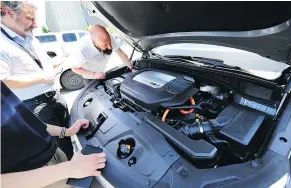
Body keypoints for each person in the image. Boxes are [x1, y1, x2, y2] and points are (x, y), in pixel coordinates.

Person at [0, 1, 74, 159]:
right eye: (29, 18)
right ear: (10, 13)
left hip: (54, 97)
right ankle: (69, 178)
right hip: (36, 107)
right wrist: (41, 78)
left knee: (68, 138)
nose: (35, 24)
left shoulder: (27, 36)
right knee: (56, 148)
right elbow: (3, 80)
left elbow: (36, 63)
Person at [1, 82, 106, 188]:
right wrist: (69, 169)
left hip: (54, 158)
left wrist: (67, 131)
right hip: (34, 179)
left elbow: (27, 122)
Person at [71, 24, 136, 85]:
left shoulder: (107, 38)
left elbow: (121, 54)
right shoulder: (82, 51)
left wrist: (132, 67)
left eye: (109, 43)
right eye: (105, 45)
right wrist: (94, 74)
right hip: (90, 78)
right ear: (94, 41)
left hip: (103, 72)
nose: (110, 47)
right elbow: (74, 68)